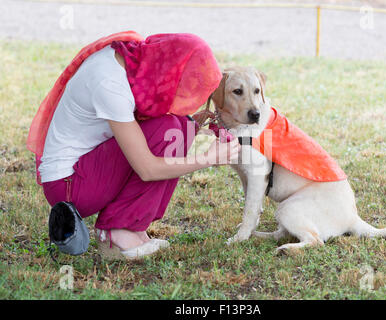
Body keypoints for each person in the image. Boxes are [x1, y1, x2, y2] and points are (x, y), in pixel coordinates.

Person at [27, 32, 240, 260]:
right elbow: (147, 168)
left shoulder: (132, 58)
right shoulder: (109, 83)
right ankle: (117, 231)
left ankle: (134, 228)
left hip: (85, 167)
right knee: (169, 128)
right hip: (68, 185)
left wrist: (190, 126)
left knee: (177, 126)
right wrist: (207, 159)